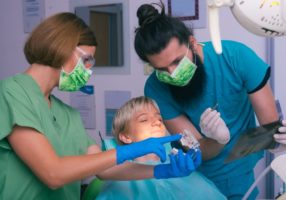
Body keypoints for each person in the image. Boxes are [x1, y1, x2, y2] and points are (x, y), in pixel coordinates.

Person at [0, 12, 201, 200]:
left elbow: (104, 170)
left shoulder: (67, 114)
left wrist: (161, 171)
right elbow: (53, 173)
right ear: (61, 47)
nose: (88, 71)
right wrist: (131, 150)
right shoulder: (11, 92)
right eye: (86, 60)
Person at [133, 2, 286, 199]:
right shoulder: (156, 87)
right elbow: (198, 149)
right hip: (192, 180)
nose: (173, 74)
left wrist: (279, 142)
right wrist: (218, 140)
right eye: (161, 69)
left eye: (177, 61)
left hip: (239, 176)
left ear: (192, 43)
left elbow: (269, 129)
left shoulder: (236, 57)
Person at [96, 96, 226, 200]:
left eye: (159, 118)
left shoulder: (178, 168)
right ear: (125, 137)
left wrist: (219, 140)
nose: (157, 122)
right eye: (144, 120)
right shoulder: (120, 181)